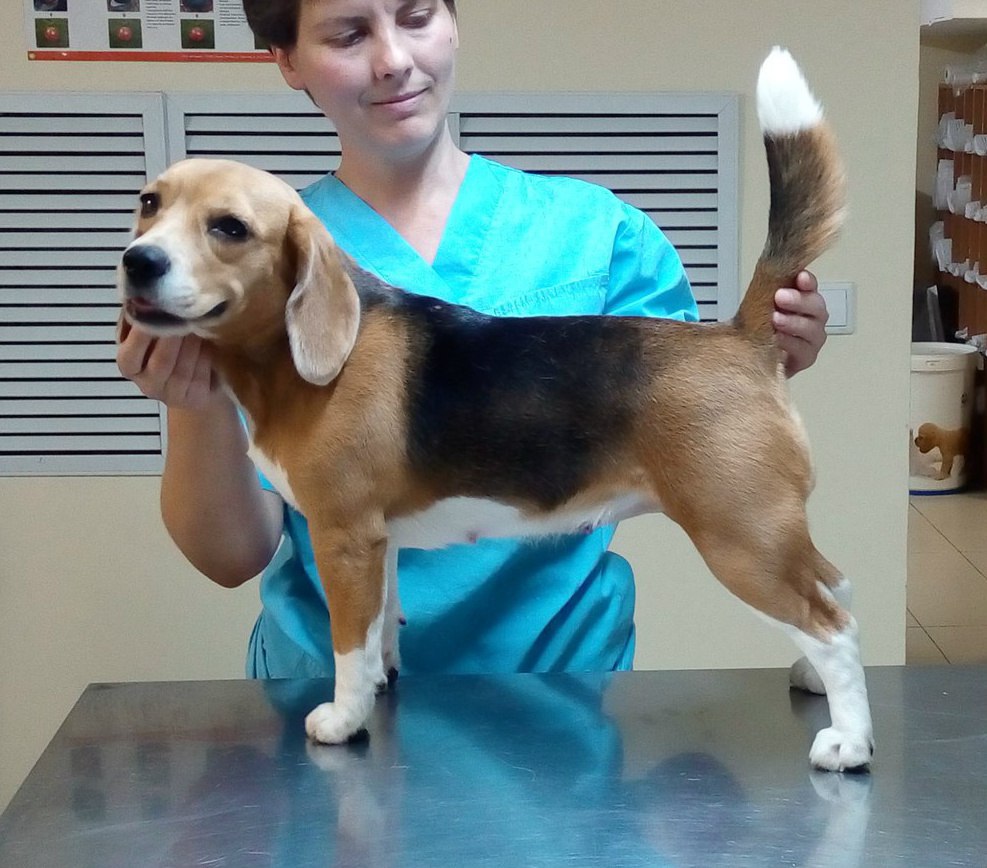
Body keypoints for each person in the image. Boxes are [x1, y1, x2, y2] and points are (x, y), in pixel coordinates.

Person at [117, 0, 830, 679]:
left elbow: (691, 414)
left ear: (453, 24)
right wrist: (194, 402)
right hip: (326, 686)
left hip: (558, 686)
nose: (393, 60)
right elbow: (230, 556)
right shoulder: (256, 260)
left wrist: (763, 362)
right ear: (287, 59)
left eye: (417, 16)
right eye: (347, 34)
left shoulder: (602, 234)